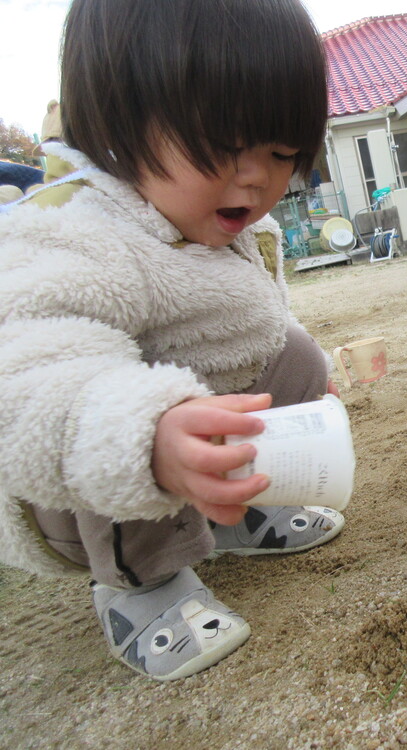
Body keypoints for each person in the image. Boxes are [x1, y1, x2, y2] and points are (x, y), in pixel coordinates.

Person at [0, 0, 345, 681]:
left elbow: (246, 330)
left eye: (281, 154)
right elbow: (29, 383)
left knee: (294, 355)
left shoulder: (205, 215)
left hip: (189, 448)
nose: (256, 177)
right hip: (77, 475)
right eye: (225, 144)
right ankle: (142, 590)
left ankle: (241, 517)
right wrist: (147, 437)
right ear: (120, 118)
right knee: (129, 422)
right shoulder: (74, 229)